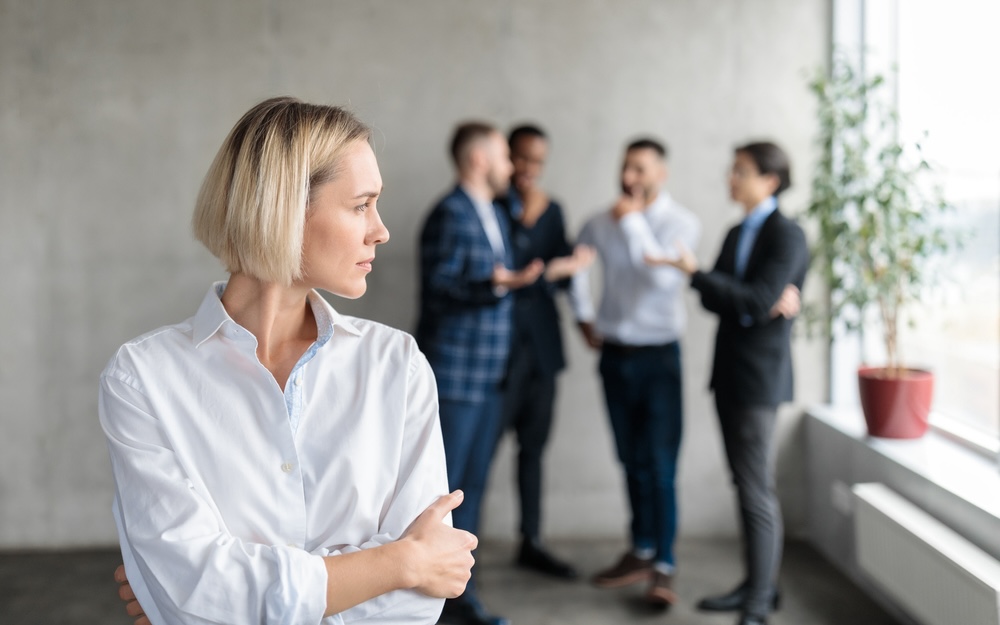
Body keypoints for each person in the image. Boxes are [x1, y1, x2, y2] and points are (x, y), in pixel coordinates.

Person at [101, 97, 477, 625]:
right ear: (284, 208)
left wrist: (225, 603)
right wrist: (399, 562)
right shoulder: (142, 378)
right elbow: (193, 590)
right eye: (361, 205)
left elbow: (411, 608)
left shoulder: (397, 365)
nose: (381, 230)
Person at [647, 141, 808, 625]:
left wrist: (707, 279)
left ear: (770, 180)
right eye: (732, 170)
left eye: (741, 171)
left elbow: (751, 299)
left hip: (759, 380)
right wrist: (740, 297)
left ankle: (759, 602)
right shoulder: (738, 231)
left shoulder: (787, 235)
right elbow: (718, 300)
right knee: (743, 483)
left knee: (756, 489)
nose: (731, 179)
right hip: (730, 375)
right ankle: (758, 585)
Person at [415, 122, 543, 625]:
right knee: (443, 495)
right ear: (479, 160)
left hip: (491, 376)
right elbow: (439, 287)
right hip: (456, 375)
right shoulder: (449, 213)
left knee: (471, 490)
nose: (513, 166)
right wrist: (495, 284)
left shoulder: (492, 210)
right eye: (505, 157)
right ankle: (435, 601)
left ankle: (458, 595)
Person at [569, 138, 700, 606]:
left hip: (659, 357)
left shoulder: (681, 223)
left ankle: (664, 564)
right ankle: (641, 549)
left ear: (662, 173)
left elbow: (662, 279)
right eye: (626, 167)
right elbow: (578, 266)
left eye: (640, 169)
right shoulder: (599, 222)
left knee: (660, 465)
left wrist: (632, 223)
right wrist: (583, 317)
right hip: (615, 356)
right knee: (630, 459)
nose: (629, 178)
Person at [495, 125, 594, 580]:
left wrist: (569, 276)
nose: (528, 169)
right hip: (498, 352)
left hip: (542, 350)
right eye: (521, 158)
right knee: (478, 454)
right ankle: (459, 547)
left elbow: (566, 272)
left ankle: (531, 541)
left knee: (534, 450)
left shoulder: (552, 210)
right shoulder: (492, 206)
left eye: (537, 161)